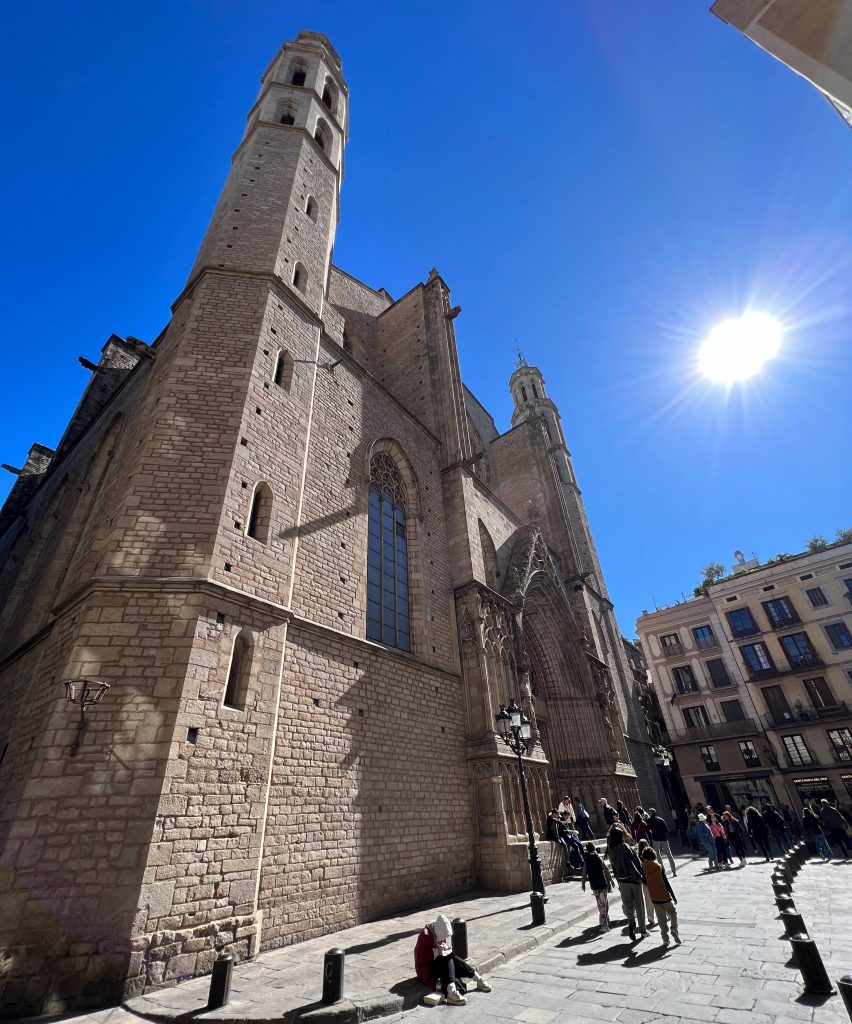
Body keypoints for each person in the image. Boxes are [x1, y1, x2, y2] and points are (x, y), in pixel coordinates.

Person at [415, 914, 491, 1006]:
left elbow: (443, 947)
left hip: (440, 964)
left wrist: (445, 948)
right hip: (427, 970)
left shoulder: (438, 930)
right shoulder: (425, 936)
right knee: (448, 957)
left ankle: (470, 980)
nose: (444, 939)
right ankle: (471, 979)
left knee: (450, 956)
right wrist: (436, 952)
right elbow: (422, 958)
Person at [607, 825, 647, 941]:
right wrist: (642, 875)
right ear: (620, 837)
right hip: (633, 879)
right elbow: (636, 860)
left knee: (628, 903)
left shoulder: (610, 849)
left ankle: (631, 921)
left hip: (622, 880)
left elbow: (613, 864)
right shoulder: (624, 846)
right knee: (639, 905)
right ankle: (643, 931)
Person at [640, 847, 680, 946]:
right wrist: (673, 896)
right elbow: (666, 882)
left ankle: (665, 939)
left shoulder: (643, 867)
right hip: (664, 895)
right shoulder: (659, 866)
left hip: (654, 896)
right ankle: (674, 929)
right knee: (673, 913)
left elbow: (644, 881)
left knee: (661, 919)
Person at [581, 842, 614, 933]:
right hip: (602, 884)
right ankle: (604, 925)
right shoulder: (598, 857)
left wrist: (583, 884)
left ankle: (606, 919)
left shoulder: (586, 860)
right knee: (603, 904)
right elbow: (606, 869)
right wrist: (610, 880)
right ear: (594, 848)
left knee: (601, 903)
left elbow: (584, 873)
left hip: (594, 885)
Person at [647, 808, 677, 875]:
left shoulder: (649, 820)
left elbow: (647, 829)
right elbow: (666, 830)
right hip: (663, 839)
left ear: (651, 813)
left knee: (658, 854)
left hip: (655, 839)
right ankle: (674, 871)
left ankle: (662, 870)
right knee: (669, 854)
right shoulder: (661, 819)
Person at [637, 840, 656, 926]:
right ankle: (667, 914)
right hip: (655, 881)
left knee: (648, 901)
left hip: (645, 883)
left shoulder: (638, 858)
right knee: (660, 898)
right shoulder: (652, 855)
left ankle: (650, 918)